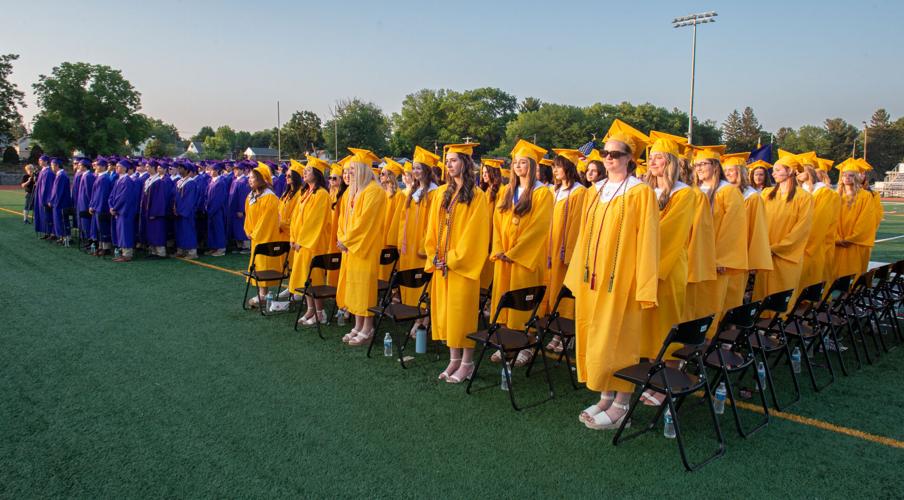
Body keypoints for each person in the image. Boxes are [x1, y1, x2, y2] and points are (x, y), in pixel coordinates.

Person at [565, 120, 658, 430]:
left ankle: (621, 403)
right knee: (597, 337)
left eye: (616, 154)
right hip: (592, 280)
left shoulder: (640, 192)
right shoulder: (596, 191)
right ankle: (605, 395)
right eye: (605, 153)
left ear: (630, 158)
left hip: (621, 282)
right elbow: (582, 235)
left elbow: (648, 240)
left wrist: (643, 285)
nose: (609, 158)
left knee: (619, 340)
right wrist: (577, 273)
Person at [424, 142, 489, 382]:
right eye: (447, 160)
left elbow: (476, 235)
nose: (449, 164)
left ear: (465, 162)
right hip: (442, 267)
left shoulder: (477, 196)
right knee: (448, 315)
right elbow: (431, 229)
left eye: (453, 160)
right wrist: (433, 255)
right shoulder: (441, 192)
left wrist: (451, 259)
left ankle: (467, 362)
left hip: (462, 268)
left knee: (463, 315)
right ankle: (453, 360)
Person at [638, 136, 695, 398]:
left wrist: (650, 264)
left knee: (666, 322)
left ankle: (668, 381)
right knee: (648, 324)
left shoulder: (684, 194)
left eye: (659, 157)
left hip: (667, 267)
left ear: (671, 162)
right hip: (645, 265)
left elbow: (671, 233)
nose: (653, 161)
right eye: (651, 157)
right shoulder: (646, 191)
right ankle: (652, 377)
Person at [489, 139, 554, 367]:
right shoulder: (507, 191)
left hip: (524, 259)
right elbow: (496, 222)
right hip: (504, 258)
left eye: (523, 162)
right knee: (504, 300)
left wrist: (515, 252)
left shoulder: (542, 193)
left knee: (523, 302)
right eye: (515, 162)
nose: (518, 166)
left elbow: (539, 228)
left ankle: (525, 344)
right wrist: (499, 249)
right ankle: (506, 343)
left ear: (533, 166)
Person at [691, 145, 748, 330]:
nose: (698, 168)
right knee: (695, 302)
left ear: (715, 166)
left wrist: (721, 258)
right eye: (696, 164)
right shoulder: (694, 190)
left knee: (711, 303)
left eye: (703, 164)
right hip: (696, 256)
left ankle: (710, 341)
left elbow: (733, 228)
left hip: (715, 259)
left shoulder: (728, 191)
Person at [337, 148, 387, 346]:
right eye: (348, 170)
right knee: (354, 288)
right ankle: (357, 325)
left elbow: (365, 223)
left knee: (365, 288)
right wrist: (342, 238)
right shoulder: (351, 191)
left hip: (365, 247)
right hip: (350, 248)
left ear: (365, 170)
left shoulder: (374, 191)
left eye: (354, 169)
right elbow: (342, 219)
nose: (350, 173)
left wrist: (347, 240)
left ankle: (368, 328)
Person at [754, 155, 814, 311]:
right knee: (762, 294)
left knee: (781, 297)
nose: (773, 173)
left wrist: (776, 248)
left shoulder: (804, 197)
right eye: (773, 170)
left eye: (777, 170)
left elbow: (802, 229)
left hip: (787, 256)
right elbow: (756, 221)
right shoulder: (766, 193)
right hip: (765, 254)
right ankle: (759, 326)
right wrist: (761, 247)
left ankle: (778, 327)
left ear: (791, 171)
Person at [542, 149, 587, 353]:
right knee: (550, 289)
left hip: (563, 251)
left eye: (558, 166)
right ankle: (554, 330)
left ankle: (566, 334)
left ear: (568, 168)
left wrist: (568, 253)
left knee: (563, 290)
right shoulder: (553, 190)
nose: (555, 170)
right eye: (553, 167)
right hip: (549, 249)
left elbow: (577, 226)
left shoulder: (579, 192)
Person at [397, 148, 439, 329]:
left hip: (422, 247)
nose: (415, 172)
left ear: (427, 170)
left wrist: (425, 246)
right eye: (414, 168)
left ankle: (424, 319)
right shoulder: (413, 191)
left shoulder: (434, 192)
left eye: (419, 168)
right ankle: (416, 317)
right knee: (411, 282)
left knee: (423, 283)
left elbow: (433, 223)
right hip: (409, 247)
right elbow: (403, 220)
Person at [722, 153, 773, 301]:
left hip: (740, 253)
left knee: (732, 293)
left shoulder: (752, 197)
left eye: (731, 170)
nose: (727, 174)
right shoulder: (722, 193)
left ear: (741, 172)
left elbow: (756, 230)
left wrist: (753, 259)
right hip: (723, 250)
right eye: (725, 170)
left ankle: (730, 322)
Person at [291, 156, 333, 326]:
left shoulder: (322, 194)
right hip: (301, 243)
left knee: (314, 278)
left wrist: (302, 240)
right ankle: (310, 309)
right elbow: (296, 218)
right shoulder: (305, 192)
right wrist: (293, 238)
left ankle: (320, 312)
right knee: (304, 278)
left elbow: (315, 221)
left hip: (313, 243)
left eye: (308, 170)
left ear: (316, 173)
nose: (304, 172)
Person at [797, 153, 840, 290]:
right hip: (798, 244)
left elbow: (819, 222)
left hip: (815, 245)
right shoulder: (800, 190)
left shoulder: (825, 193)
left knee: (811, 281)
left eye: (799, 169)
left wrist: (803, 243)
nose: (796, 173)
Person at [244, 163, 283, 308]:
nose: (250, 179)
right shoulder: (251, 195)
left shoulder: (270, 198)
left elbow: (266, 220)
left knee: (263, 265)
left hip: (266, 237)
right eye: (249, 177)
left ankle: (264, 293)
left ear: (261, 179)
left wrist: (255, 233)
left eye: (253, 177)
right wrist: (248, 230)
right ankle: (262, 293)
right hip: (255, 236)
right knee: (258, 265)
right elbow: (248, 216)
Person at [834, 159, 875, 278]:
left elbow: (865, 221)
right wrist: (835, 238)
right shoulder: (836, 196)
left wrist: (850, 239)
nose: (847, 177)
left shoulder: (865, 196)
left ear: (857, 177)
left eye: (851, 175)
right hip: (836, 243)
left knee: (851, 277)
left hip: (854, 244)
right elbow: (829, 220)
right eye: (844, 175)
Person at [379, 157, 406, 281]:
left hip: (388, 241)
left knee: (389, 271)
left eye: (383, 174)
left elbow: (397, 220)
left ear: (391, 176)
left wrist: (391, 240)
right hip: (379, 237)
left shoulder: (399, 195)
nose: (380, 176)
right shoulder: (382, 194)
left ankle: (393, 296)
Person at [478, 158, 504, 291]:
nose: (484, 175)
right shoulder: (485, 191)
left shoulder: (501, 192)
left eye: (487, 172)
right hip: (484, 236)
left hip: (493, 238)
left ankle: (488, 302)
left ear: (494, 173)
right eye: (483, 173)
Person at [108, 159, 140, 262]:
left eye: (119, 166)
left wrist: (115, 207)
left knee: (125, 232)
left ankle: (127, 254)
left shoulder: (127, 181)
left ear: (125, 168)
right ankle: (123, 252)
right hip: (118, 211)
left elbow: (124, 198)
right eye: (116, 166)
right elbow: (112, 196)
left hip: (125, 211)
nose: (116, 168)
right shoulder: (119, 180)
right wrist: (111, 206)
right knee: (121, 232)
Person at [140, 161, 169, 258]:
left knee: (157, 231)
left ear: (153, 168)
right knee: (150, 231)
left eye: (148, 166)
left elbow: (159, 199)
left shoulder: (158, 182)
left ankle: (160, 252)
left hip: (155, 213)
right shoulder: (149, 180)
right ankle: (153, 251)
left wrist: (155, 212)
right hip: (148, 211)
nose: (146, 168)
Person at [173, 162, 200, 259]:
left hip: (187, 213)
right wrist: (175, 208)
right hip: (179, 212)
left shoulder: (191, 183)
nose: (179, 170)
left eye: (181, 168)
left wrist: (181, 211)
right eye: (178, 168)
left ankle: (192, 252)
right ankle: (181, 250)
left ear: (187, 170)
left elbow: (189, 200)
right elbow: (175, 197)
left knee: (188, 231)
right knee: (180, 231)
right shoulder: (179, 182)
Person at [88, 159, 114, 256]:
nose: (96, 167)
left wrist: (94, 206)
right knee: (98, 228)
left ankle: (106, 248)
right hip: (97, 207)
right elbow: (94, 194)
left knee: (103, 227)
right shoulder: (100, 177)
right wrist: (91, 205)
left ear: (103, 167)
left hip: (101, 207)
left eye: (98, 165)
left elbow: (101, 195)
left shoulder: (104, 179)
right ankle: (100, 246)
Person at [204, 162, 229, 257]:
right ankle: (214, 247)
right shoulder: (211, 181)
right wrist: (206, 205)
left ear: (217, 171)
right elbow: (206, 195)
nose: (210, 171)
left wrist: (212, 209)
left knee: (218, 229)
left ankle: (221, 248)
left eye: (212, 170)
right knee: (212, 229)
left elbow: (219, 199)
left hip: (217, 210)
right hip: (211, 210)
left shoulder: (220, 182)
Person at [228, 162, 252, 254]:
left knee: (242, 227)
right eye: (234, 169)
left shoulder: (244, 181)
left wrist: (241, 210)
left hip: (239, 209)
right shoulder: (235, 180)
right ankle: (239, 245)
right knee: (236, 227)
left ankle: (246, 246)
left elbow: (243, 197)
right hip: (233, 208)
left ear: (243, 170)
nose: (235, 171)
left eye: (237, 169)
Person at [48, 158, 73, 244]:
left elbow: (58, 191)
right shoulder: (60, 175)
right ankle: (62, 237)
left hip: (61, 203)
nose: (51, 167)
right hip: (59, 202)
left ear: (56, 166)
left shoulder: (61, 175)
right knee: (59, 220)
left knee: (62, 220)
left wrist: (53, 201)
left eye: (52, 165)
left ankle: (66, 237)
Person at [74, 159, 95, 243]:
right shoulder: (83, 175)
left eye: (80, 165)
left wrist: (89, 204)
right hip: (81, 202)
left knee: (86, 222)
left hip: (85, 203)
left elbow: (89, 192)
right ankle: (84, 238)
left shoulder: (88, 176)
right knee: (82, 222)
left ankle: (88, 239)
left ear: (84, 167)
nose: (78, 167)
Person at [34, 155, 54, 237]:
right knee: (42, 214)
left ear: (46, 161)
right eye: (39, 160)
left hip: (44, 197)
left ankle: (49, 232)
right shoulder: (42, 171)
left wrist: (46, 199)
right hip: (40, 196)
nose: (39, 162)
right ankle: (45, 231)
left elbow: (48, 187)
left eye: (41, 160)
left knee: (46, 215)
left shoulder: (48, 172)